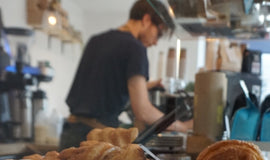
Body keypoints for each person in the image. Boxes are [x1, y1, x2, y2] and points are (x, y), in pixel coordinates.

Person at [61, 0, 193, 149]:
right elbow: (143, 111)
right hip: (96, 139)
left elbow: (102, 83)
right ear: (146, 20)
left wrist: (146, 86)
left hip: (70, 132)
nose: (156, 42)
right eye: (159, 33)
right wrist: (182, 126)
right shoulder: (136, 49)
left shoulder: (96, 40)